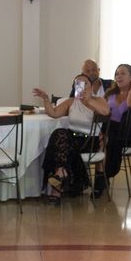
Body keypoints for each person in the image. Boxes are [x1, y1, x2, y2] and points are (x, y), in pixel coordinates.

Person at [33, 74, 110, 204]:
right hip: (72, 138)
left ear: (91, 87)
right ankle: (60, 173)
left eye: (86, 84)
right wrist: (45, 99)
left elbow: (105, 112)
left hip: (89, 141)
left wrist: (88, 100)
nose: (83, 87)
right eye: (78, 84)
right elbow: (54, 113)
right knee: (59, 133)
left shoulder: (99, 100)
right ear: (75, 87)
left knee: (62, 143)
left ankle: (56, 189)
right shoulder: (70, 102)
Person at [101, 63, 131, 196]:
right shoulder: (110, 93)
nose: (118, 76)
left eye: (123, 73)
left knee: (107, 140)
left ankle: (103, 176)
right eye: (116, 74)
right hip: (107, 130)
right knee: (96, 139)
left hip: (125, 133)